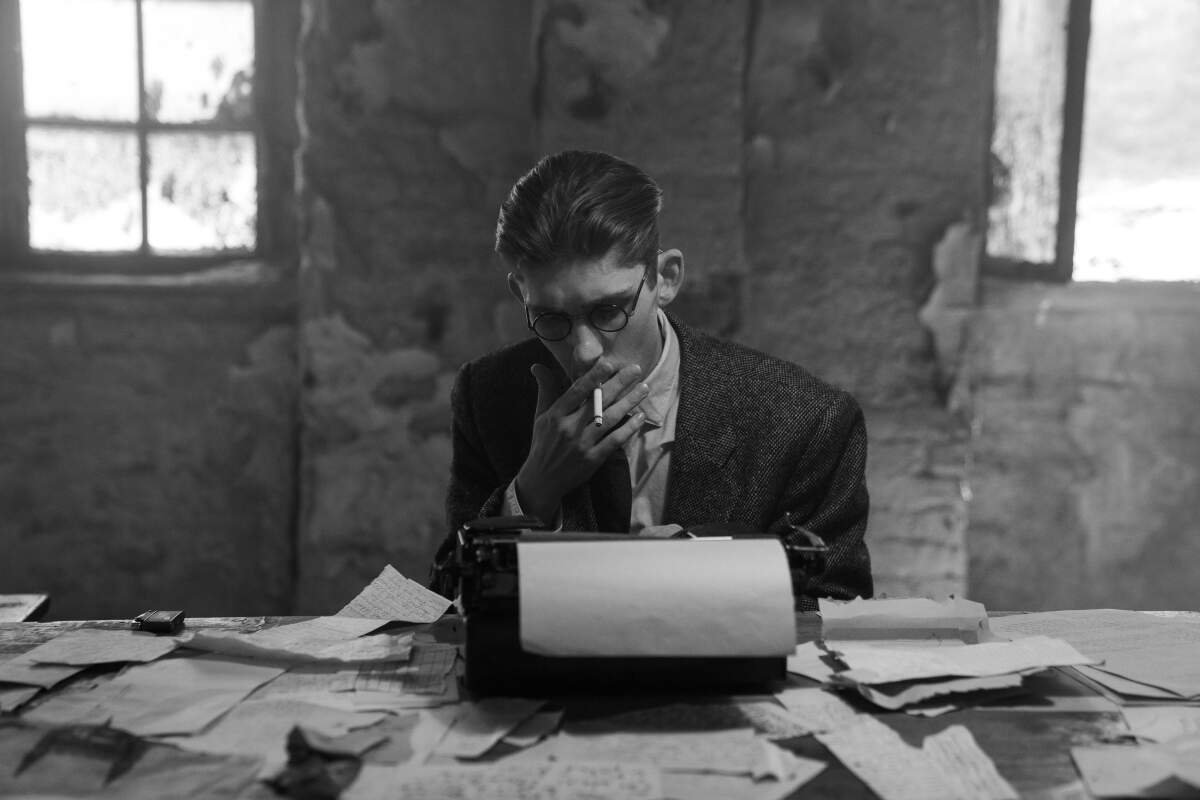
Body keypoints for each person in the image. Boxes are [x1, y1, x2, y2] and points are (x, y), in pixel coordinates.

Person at [431, 150, 871, 610]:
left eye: (608, 310)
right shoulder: (488, 395)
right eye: (548, 317)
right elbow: (449, 601)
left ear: (665, 278)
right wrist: (531, 494)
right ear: (519, 293)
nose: (585, 351)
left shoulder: (803, 419)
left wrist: (692, 575)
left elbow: (837, 610)